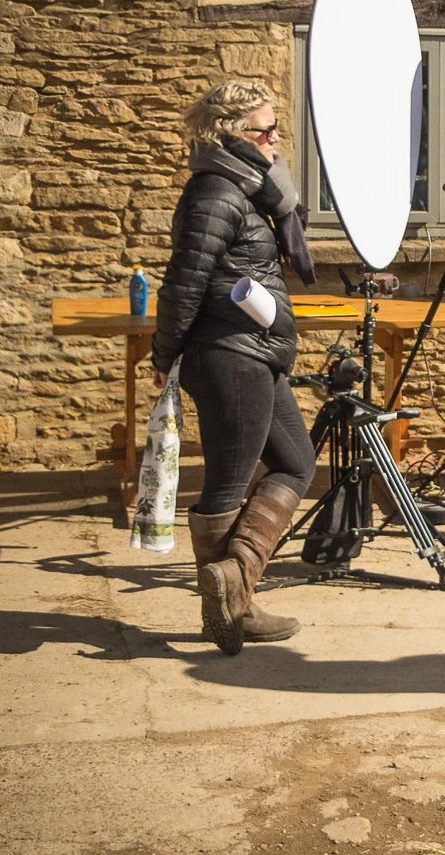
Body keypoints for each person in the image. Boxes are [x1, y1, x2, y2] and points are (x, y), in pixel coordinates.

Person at [152, 79, 318, 656]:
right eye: (264, 130)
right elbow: (184, 281)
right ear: (231, 133)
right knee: (226, 484)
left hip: (254, 352)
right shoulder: (215, 193)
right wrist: (164, 354)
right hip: (229, 355)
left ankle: (233, 585)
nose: (275, 140)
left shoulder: (247, 189)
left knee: (296, 462)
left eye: (274, 129)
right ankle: (231, 603)